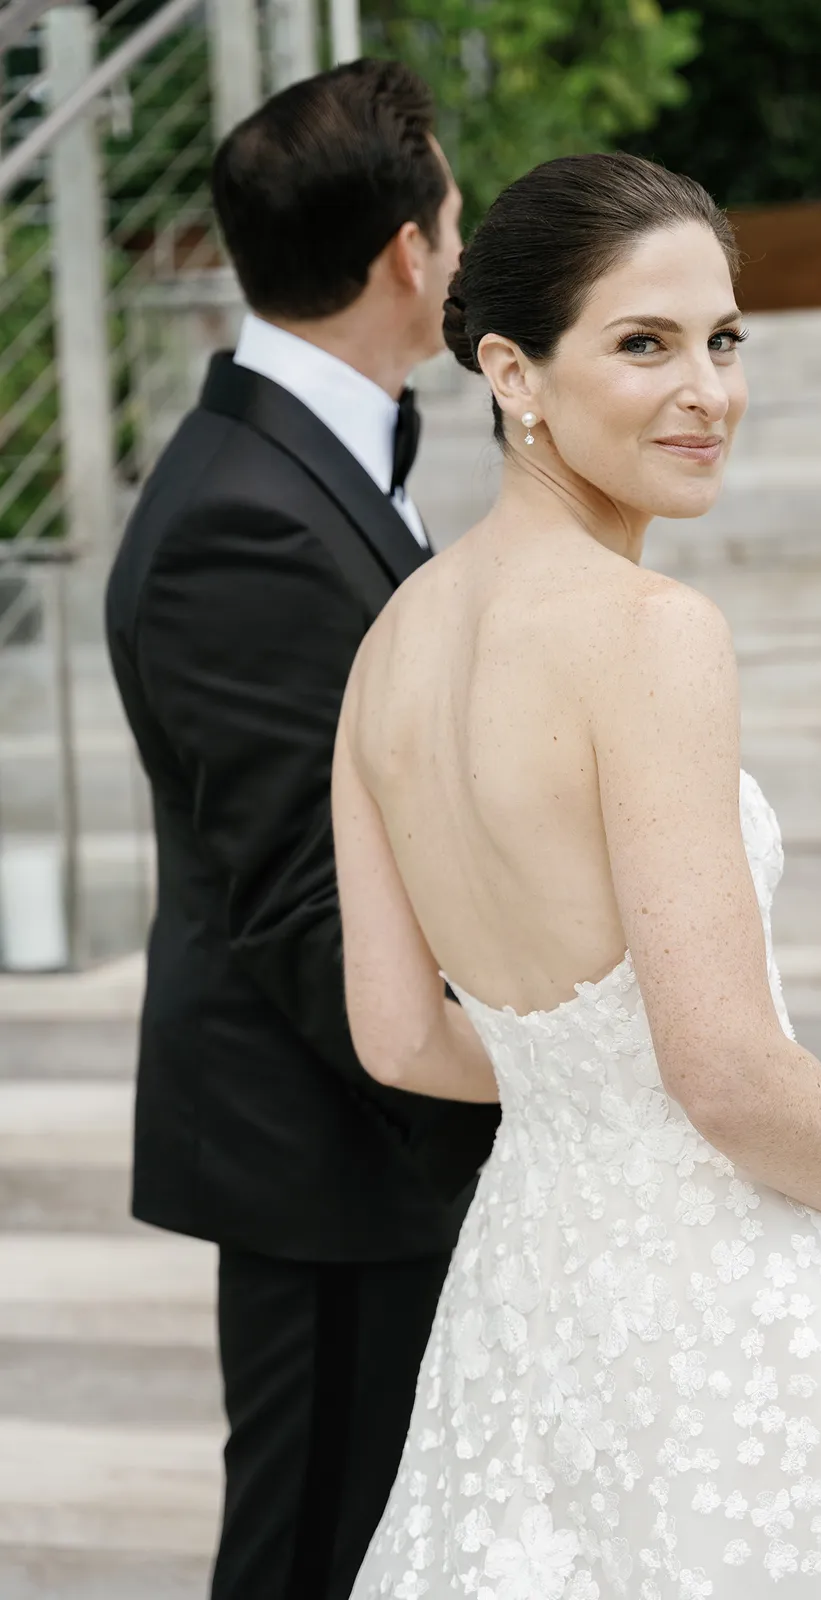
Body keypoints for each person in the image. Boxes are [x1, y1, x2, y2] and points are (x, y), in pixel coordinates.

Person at [333, 153, 821, 1598]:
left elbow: (400, 1038)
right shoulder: (650, 631)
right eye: (642, 344)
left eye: (723, 341)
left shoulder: (385, 650)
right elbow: (719, 1065)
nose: (706, 393)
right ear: (511, 372)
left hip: (526, 1294)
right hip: (715, 1286)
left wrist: (579, 1086)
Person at [105, 60, 498, 1600]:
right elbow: (297, 901)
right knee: (306, 1547)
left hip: (368, 1121)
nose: (457, 254)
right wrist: (488, 1093)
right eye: (453, 223)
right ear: (408, 252)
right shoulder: (239, 518)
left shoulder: (308, 457)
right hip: (328, 1145)